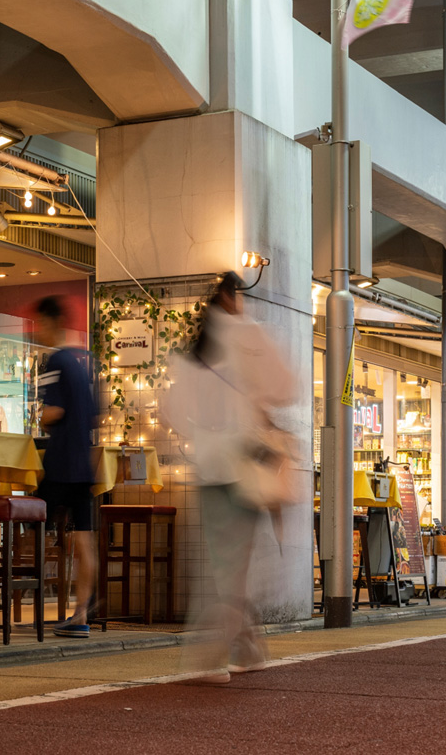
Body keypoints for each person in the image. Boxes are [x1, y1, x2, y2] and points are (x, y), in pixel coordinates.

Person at [163, 272, 296, 682]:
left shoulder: (192, 356)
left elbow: (172, 411)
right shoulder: (247, 337)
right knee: (234, 566)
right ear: (231, 296)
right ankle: (241, 643)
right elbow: (286, 386)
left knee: (226, 566)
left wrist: (204, 434)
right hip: (247, 466)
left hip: (211, 469)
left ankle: (232, 645)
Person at [34, 296, 96, 638]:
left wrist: (43, 419)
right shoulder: (80, 364)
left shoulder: (56, 361)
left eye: (39, 323)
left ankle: (18, 593)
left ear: (50, 322)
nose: (36, 330)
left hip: (59, 464)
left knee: (29, 527)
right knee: (84, 541)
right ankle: (81, 613)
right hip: (83, 465)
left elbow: (52, 413)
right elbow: (94, 414)